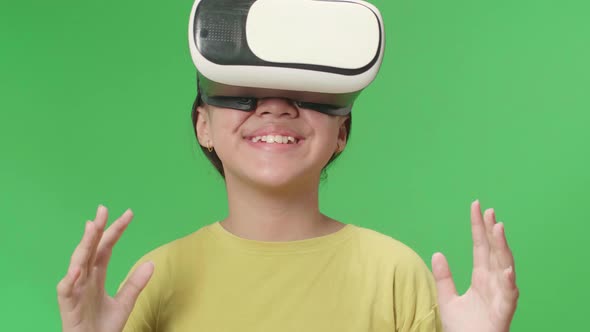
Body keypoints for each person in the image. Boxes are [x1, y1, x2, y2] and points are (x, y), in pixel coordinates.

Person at [56, 1, 519, 331]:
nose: (275, 109)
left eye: (306, 95)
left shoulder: (396, 275)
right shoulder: (155, 278)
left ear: (341, 132)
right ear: (204, 125)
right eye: (245, 92)